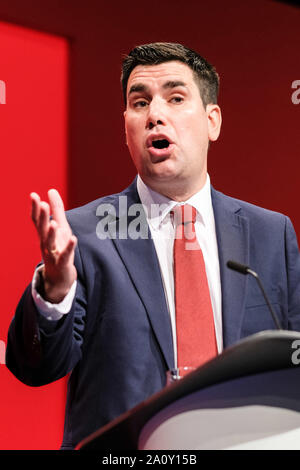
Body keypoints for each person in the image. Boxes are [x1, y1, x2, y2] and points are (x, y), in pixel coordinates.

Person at [6, 42, 300, 450]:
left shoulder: (271, 234)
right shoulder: (85, 234)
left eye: (176, 98)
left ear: (212, 121)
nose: (155, 115)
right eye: (139, 103)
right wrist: (54, 288)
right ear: (125, 126)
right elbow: (35, 368)